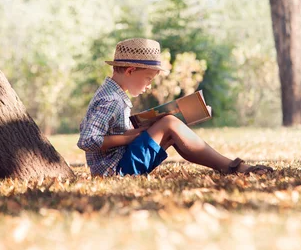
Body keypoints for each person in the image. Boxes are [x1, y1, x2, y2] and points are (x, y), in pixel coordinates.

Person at [77, 38, 273, 177]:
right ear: (130, 71)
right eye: (148, 78)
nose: (149, 85)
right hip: (113, 169)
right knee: (169, 123)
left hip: (121, 161)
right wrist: (133, 136)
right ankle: (233, 167)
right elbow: (88, 140)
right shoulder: (110, 99)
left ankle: (228, 167)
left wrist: (138, 129)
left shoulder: (115, 95)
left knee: (170, 129)